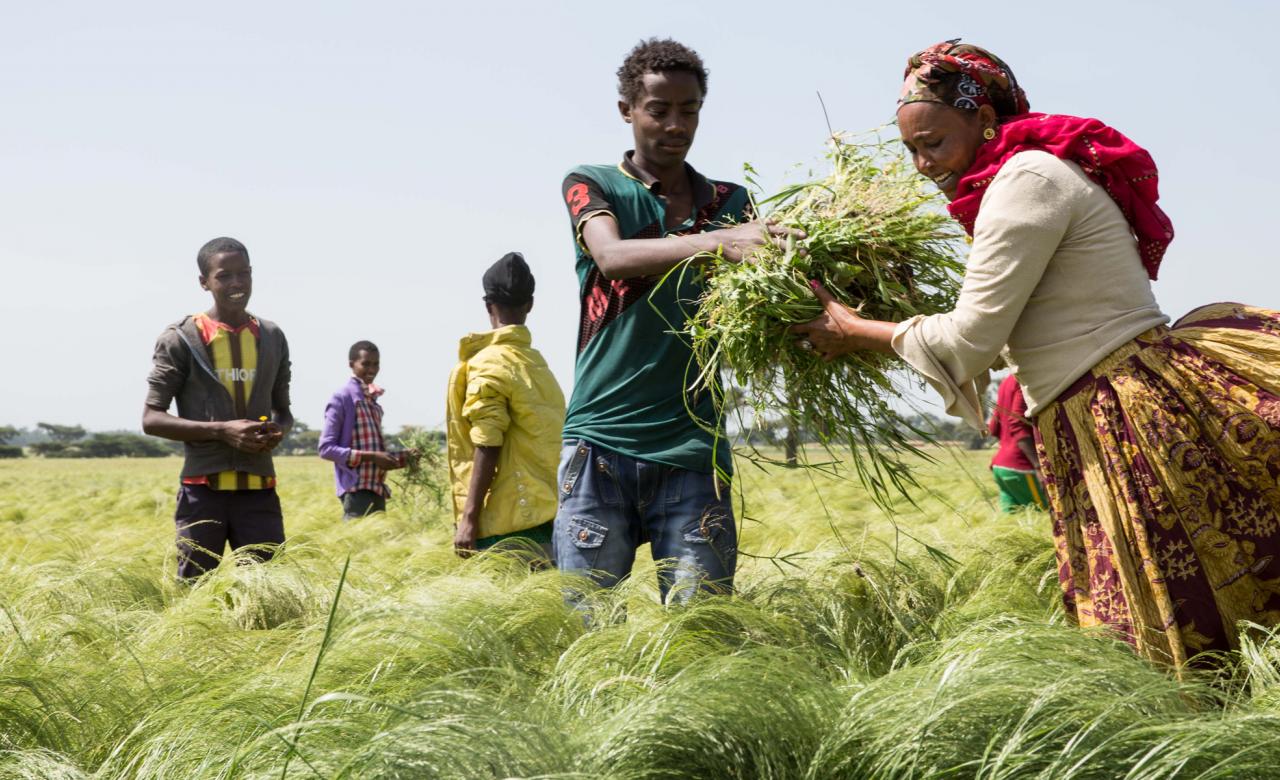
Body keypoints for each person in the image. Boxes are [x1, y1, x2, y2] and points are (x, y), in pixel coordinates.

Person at [789, 40, 1280, 666]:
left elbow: (970, 340)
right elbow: (1019, 330)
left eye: (933, 143)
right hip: (1093, 403)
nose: (920, 164)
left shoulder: (1025, 182)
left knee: (1165, 620)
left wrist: (855, 328)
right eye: (910, 148)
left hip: (1123, 409)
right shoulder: (1025, 174)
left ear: (984, 119)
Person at [555, 37, 800, 602]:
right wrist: (718, 242)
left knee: (701, 631)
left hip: (692, 449)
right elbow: (612, 256)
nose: (675, 125)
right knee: (584, 626)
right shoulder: (594, 184)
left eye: (688, 111)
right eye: (658, 110)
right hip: (601, 444)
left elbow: (761, 301)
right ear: (627, 111)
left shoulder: (729, 202)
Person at [143, 237, 292, 580]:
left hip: (259, 491)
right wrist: (222, 431)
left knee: (268, 591)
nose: (237, 283)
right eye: (224, 276)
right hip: (202, 491)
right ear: (204, 282)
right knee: (195, 589)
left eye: (244, 274)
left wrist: (278, 431)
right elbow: (151, 418)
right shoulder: (182, 338)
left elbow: (283, 410)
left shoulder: (271, 337)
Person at [446, 252, 565, 561]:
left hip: (506, 522)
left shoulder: (488, 363)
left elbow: (487, 442)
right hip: (548, 514)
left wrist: (469, 518)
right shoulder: (538, 365)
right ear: (530, 305)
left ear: (488, 306)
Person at [318, 341, 412, 520]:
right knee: (358, 547)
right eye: (366, 364)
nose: (372, 369)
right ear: (351, 364)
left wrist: (404, 457)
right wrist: (373, 457)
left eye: (376, 364)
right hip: (356, 491)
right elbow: (326, 449)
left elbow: (377, 454)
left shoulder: (372, 402)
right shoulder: (343, 397)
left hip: (377, 489)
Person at [987, 373, 1047, 513]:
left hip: (1000, 468)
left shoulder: (1006, 381)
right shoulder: (1023, 378)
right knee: (1045, 516)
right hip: (1023, 467)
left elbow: (994, 427)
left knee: (1011, 524)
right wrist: (1038, 467)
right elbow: (1017, 423)